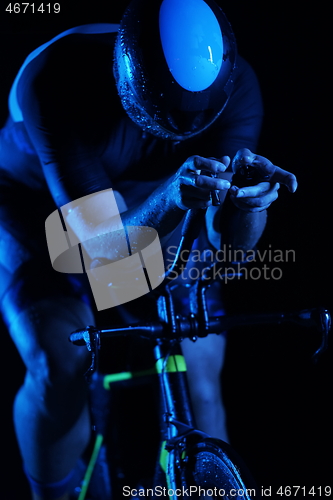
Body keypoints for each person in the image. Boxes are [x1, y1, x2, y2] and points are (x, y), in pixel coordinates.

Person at [0, 0, 297, 498]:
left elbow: (229, 254)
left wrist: (250, 205)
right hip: (38, 210)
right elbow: (101, 253)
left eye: (195, 121)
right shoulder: (55, 79)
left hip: (154, 205)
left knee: (197, 373)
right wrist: (172, 197)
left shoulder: (236, 85)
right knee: (60, 362)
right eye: (163, 116)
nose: (180, 129)